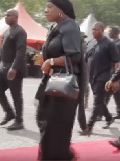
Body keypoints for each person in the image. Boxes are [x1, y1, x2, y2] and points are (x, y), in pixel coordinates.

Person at [35, 0, 82, 160]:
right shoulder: (54, 27)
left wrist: (52, 61)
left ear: (61, 10)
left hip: (63, 87)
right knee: (44, 123)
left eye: (49, 7)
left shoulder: (70, 27)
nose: (45, 10)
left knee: (55, 131)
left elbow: (75, 56)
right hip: (50, 83)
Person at [0, 9, 27, 130]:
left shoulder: (20, 31)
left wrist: (14, 67)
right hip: (2, 66)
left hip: (13, 67)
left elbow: (21, 51)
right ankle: (9, 112)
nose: (5, 17)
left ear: (16, 17)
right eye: (5, 15)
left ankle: (19, 121)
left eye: (8, 15)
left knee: (16, 94)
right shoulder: (6, 31)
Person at [80, 22, 120, 135]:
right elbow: (85, 60)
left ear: (102, 30)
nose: (94, 31)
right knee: (100, 100)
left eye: (96, 29)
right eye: (93, 29)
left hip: (104, 76)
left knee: (97, 102)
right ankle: (108, 118)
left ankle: (89, 127)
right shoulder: (90, 43)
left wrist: (115, 79)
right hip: (92, 76)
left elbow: (117, 62)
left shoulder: (110, 44)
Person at [103, 26, 120, 120]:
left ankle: (101, 114)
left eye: (110, 31)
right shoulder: (113, 43)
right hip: (111, 71)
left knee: (106, 93)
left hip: (115, 72)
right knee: (116, 94)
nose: (109, 33)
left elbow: (118, 60)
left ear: (115, 33)